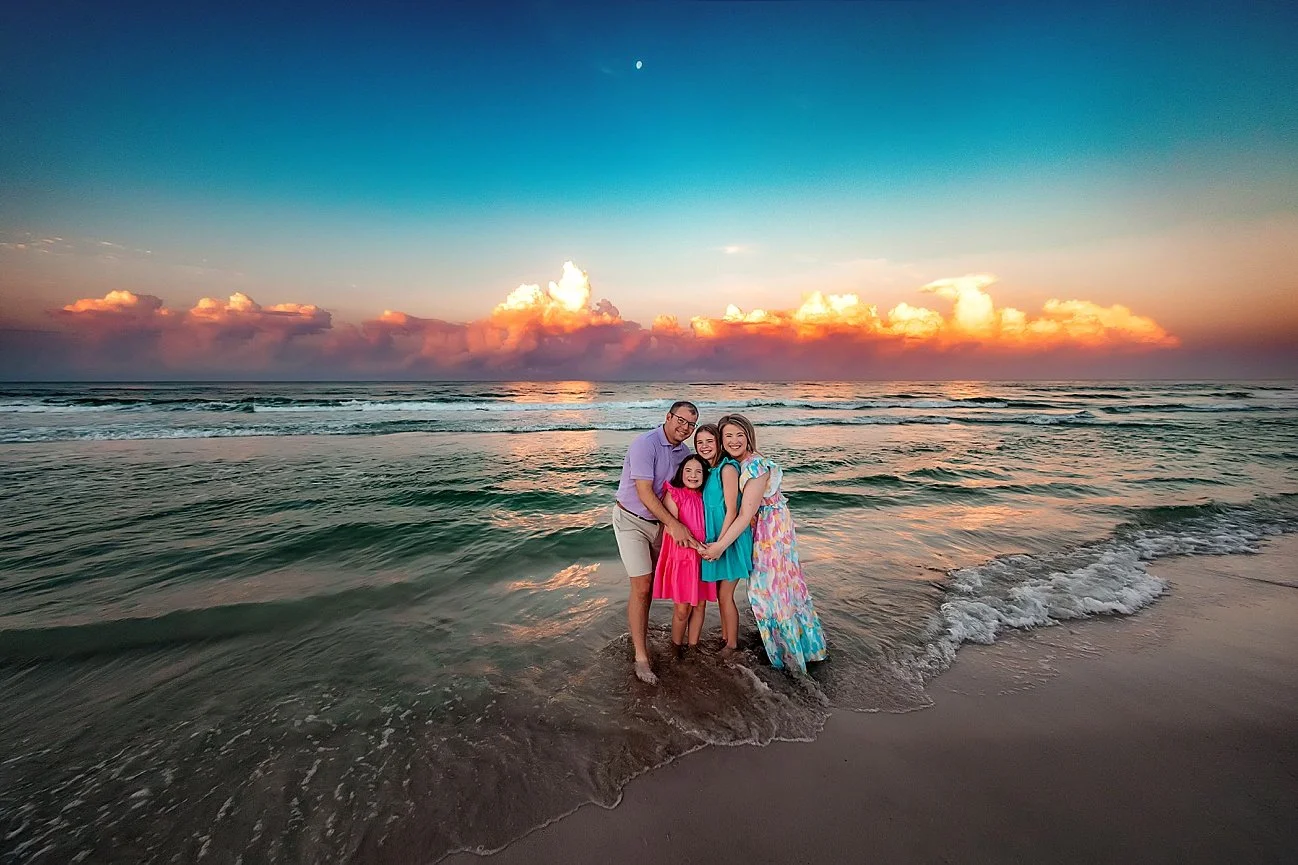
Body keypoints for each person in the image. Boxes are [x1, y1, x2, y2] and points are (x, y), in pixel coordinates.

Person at [703, 413, 827, 674]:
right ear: (722, 441)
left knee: (769, 591)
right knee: (779, 589)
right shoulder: (736, 465)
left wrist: (720, 546)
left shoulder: (756, 467)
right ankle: (802, 648)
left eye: (740, 435)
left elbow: (745, 514)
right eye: (728, 436)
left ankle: (789, 659)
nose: (735, 441)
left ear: (749, 437)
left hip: (770, 533)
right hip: (762, 528)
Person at [613, 400, 700, 684]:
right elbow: (645, 493)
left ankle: (674, 641)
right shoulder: (645, 444)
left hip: (662, 526)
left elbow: (685, 490)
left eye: (691, 424)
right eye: (681, 420)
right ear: (668, 416)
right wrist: (673, 525)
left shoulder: (684, 452)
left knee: (666, 585)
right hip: (632, 521)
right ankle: (641, 656)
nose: (685, 428)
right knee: (642, 587)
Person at [693, 423, 751, 657]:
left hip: (730, 541)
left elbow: (732, 511)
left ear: (718, 443)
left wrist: (721, 543)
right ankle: (726, 636)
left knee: (725, 595)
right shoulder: (709, 471)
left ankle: (732, 645)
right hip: (717, 539)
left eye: (709, 441)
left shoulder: (727, 469)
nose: (705, 446)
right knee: (720, 595)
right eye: (700, 443)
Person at [651, 454, 717, 656]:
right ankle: (676, 647)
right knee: (682, 608)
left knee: (700, 604)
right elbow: (673, 530)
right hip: (683, 557)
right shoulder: (674, 494)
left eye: (698, 471)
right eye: (688, 470)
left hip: (702, 556)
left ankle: (693, 647)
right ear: (681, 473)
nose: (693, 475)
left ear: (704, 476)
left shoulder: (705, 496)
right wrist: (697, 547)